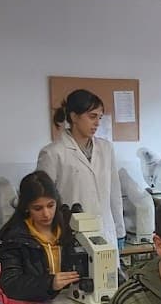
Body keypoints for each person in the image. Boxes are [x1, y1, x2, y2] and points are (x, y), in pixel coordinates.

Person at [0, 170, 92, 304]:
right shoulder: (13, 238)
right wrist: (49, 283)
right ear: (26, 208)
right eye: (37, 208)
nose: (46, 214)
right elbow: (9, 283)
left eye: (50, 205)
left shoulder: (71, 230)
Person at [38, 89, 125, 248]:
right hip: (71, 237)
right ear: (74, 117)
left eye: (99, 117)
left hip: (106, 232)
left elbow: (115, 193)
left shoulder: (106, 149)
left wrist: (120, 232)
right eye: (92, 116)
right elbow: (43, 201)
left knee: (108, 272)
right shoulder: (53, 153)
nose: (97, 123)